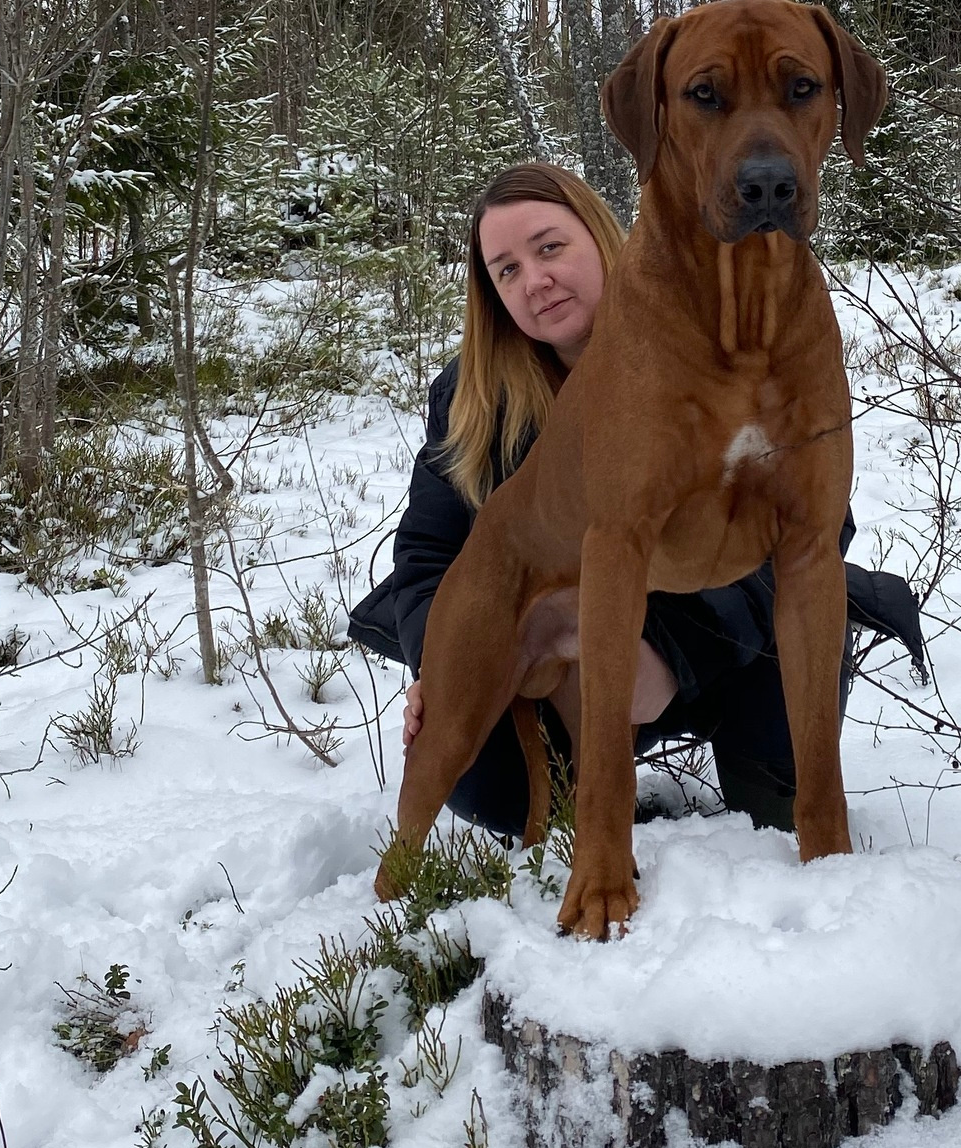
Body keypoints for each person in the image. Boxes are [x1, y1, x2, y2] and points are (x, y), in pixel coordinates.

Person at [346, 161, 923, 838]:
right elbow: (428, 556)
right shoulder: (473, 397)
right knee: (490, 789)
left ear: (599, 234)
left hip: (726, 647)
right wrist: (443, 666)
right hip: (561, 660)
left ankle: (766, 766)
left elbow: (815, 530)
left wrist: (671, 660)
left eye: (549, 247)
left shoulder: (726, 346)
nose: (535, 281)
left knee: (774, 809)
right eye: (506, 269)